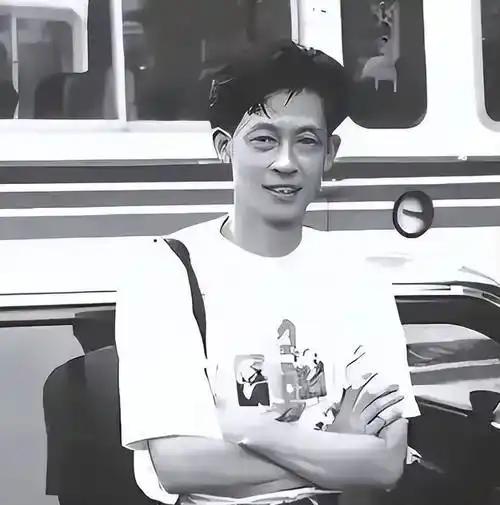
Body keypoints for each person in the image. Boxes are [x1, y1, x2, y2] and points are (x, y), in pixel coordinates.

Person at [115, 40, 420, 505]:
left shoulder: (359, 276)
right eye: (263, 139)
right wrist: (334, 447)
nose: (286, 162)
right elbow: (179, 464)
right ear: (224, 148)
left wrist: (248, 431)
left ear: (330, 153)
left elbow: (385, 463)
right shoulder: (166, 270)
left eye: (307, 141)